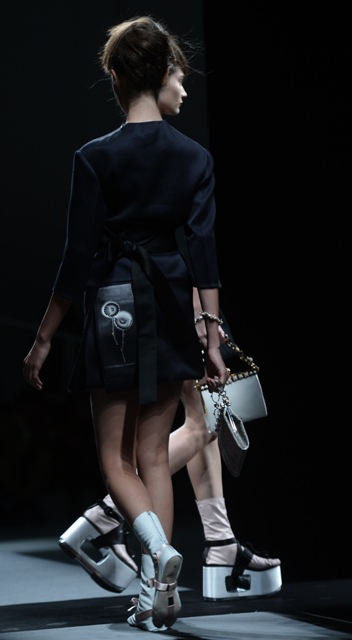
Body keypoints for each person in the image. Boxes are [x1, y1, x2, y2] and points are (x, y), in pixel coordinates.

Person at [23, 16, 229, 631]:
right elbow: (204, 253)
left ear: (115, 76)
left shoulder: (94, 157)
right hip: (168, 301)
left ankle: (158, 558)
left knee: (116, 460)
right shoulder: (194, 157)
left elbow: (76, 255)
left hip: (114, 303)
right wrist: (212, 336)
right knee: (152, 455)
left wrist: (43, 338)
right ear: (163, 72)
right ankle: (158, 596)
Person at [59, 301, 282, 603]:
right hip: (187, 305)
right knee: (206, 421)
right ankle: (108, 514)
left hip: (173, 304)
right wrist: (200, 312)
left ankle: (220, 541)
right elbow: (196, 267)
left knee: (205, 416)